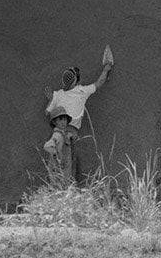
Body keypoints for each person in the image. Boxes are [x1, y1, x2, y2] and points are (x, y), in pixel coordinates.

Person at [44, 45, 114, 183]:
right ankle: (66, 185)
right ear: (76, 81)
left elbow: (47, 112)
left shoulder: (57, 95)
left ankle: (56, 184)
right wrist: (107, 68)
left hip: (58, 131)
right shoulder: (82, 91)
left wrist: (51, 100)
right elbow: (99, 82)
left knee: (56, 160)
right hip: (70, 133)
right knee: (67, 160)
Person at [42, 106, 75, 182]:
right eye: (60, 119)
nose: (63, 122)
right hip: (59, 170)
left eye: (64, 119)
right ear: (54, 122)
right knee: (60, 186)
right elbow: (47, 146)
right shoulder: (57, 135)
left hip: (65, 169)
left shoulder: (63, 134)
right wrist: (58, 156)